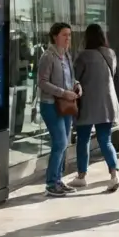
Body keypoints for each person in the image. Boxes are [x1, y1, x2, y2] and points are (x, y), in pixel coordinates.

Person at [68, 24, 119, 192]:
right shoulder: (111, 54)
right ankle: (114, 175)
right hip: (108, 103)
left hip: (88, 104)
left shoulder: (83, 56)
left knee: (83, 139)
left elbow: (74, 78)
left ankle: (82, 176)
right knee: (105, 140)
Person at [36, 22, 81, 197]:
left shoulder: (67, 56)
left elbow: (71, 77)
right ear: (55, 36)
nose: (68, 38)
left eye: (69, 35)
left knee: (64, 143)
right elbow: (42, 82)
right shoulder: (48, 56)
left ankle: (58, 180)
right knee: (60, 142)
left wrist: (77, 85)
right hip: (51, 104)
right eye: (64, 35)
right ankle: (51, 183)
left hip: (67, 105)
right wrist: (63, 92)